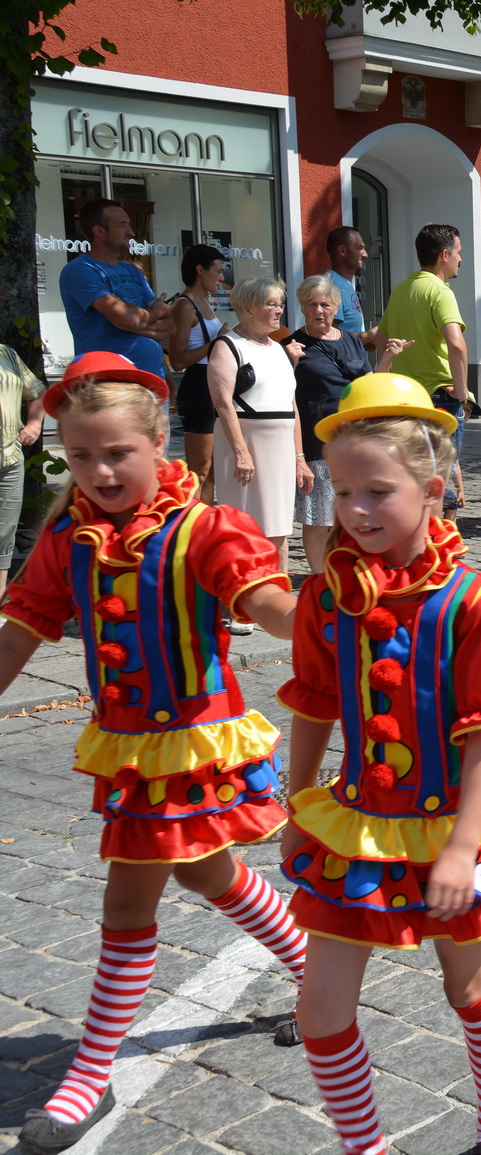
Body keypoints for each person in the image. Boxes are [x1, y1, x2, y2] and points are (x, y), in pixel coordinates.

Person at [0, 352, 306, 1152]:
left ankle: (89, 1075)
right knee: (208, 871)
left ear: (159, 441)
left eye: (117, 453)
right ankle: (310, 960)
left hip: (193, 744)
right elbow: (22, 627)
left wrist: (324, 619)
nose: (99, 470)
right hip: (131, 748)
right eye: (81, 456)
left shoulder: (202, 526)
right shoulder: (67, 536)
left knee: (126, 905)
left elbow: (265, 598)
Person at [278, 374, 481, 1155]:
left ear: (432, 489)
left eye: (377, 491)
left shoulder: (476, 600)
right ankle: (368, 1147)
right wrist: (297, 809)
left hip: (448, 825)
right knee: (320, 1007)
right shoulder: (326, 599)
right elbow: (315, 706)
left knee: (467, 986)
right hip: (356, 829)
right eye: (341, 491)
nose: (355, 511)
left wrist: (462, 846)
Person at [289, 275, 408, 574]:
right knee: (318, 517)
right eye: (312, 304)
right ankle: (320, 577)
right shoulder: (291, 345)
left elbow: (368, 386)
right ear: (303, 307)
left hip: (355, 439)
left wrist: (388, 358)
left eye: (325, 304)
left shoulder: (352, 343)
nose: (319, 310)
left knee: (353, 510)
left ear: (336, 307)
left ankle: (347, 570)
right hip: (317, 440)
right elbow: (283, 394)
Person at [207, 277, 315, 602]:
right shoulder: (227, 346)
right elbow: (223, 403)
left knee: (279, 524)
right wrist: (241, 452)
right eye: (271, 303)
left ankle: (277, 599)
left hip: (281, 446)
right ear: (248, 308)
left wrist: (300, 458)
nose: (278, 309)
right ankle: (240, 599)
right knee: (244, 524)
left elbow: (291, 405)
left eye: (279, 303)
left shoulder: (281, 350)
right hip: (246, 443)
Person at [378, 224, 469, 510]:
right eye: (458, 252)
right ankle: (432, 547)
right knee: (437, 480)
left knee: (414, 475)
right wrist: (463, 391)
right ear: (445, 255)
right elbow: (456, 344)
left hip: (407, 398)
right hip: (439, 397)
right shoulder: (440, 291)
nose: (460, 259)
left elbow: (381, 338)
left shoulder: (403, 289)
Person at [57, 200, 174, 373]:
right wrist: (154, 313)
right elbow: (129, 318)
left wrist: (136, 324)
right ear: (99, 231)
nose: (131, 232)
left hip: (153, 380)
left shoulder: (131, 270)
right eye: (122, 225)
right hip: (112, 383)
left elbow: (171, 326)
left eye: (129, 225)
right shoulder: (81, 270)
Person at [167, 244, 228, 493]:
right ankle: (191, 526)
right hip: (198, 387)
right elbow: (178, 360)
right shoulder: (184, 305)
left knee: (213, 470)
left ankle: (205, 526)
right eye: (218, 271)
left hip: (213, 385)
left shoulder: (203, 302)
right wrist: (217, 343)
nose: (222, 277)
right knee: (199, 471)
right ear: (200, 270)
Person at [0, 345, 45, 601]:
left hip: (9, 458)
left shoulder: (7, 354)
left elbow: (37, 392)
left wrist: (34, 424)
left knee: (4, 535)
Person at [323, 226, 373, 340]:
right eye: (360, 248)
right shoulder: (331, 286)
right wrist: (367, 337)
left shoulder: (344, 283)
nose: (365, 254)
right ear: (342, 251)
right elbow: (329, 336)